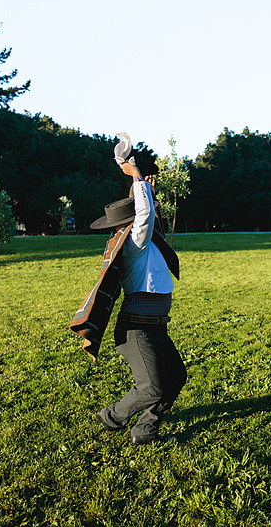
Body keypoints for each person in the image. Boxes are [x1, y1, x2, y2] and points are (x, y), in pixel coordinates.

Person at [88, 159, 186, 446]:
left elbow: (145, 215)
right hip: (136, 331)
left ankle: (145, 430)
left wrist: (145, 193)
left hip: (156, 329)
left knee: (176, 377)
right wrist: (137, 176)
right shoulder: (131, 244)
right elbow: (143, 218)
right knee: (152, 388)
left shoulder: (142, 242)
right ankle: (112, 416)